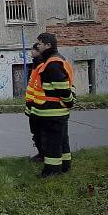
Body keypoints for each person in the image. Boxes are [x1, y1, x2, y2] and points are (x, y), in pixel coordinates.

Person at [26, 32, 75, 177]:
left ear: (48, 45)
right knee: (62, 140)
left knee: (52, 143)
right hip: (56, 111)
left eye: (40, 43)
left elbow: (62, 87)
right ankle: (65, 166)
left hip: (53, 111)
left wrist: (69, 101)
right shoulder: (55, 60)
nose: (38, 46)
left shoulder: (53, 63)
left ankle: (52, 171)